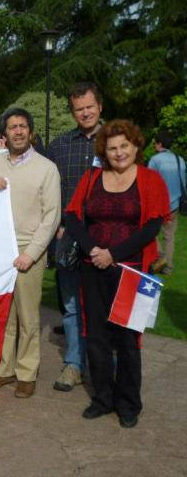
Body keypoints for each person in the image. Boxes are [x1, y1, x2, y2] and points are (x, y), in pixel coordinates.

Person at [65, 119, 169, 428]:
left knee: (127, 339)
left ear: (136, 146)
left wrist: (113, 254)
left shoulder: (150, 179)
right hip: (93, 268)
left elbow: (152, 225)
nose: (119, 152)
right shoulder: (92, 177)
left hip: (133, 271)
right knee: (96, 336)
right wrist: (93, 250)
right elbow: (72, 216)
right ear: (104, 151)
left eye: (124, 146)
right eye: (112, 148)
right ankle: (102, 398)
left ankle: (128, 403)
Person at [0, 108, 60, 398]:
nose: (18, 131)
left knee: (27, 317)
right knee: (4, 315)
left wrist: (33, 253)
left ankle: (27, 373)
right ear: (5, 133)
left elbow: (51, 216)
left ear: (31, 131)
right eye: (12, 127)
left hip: (29, 251)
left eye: (23, 126)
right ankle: (4, 369)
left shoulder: (46, 168)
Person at [47, 82, 104, 393]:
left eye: (89, 106)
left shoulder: (116, 141)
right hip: (68, 239)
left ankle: (104, 367)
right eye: (79, 108)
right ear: (73, 111)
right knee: (70, 305)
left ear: (100, 107)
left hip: (105, 239)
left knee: (102, 307)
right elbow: (51, 192)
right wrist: (56, 224)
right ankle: (74, 364)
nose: (84, 113)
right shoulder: (59, 146)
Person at [148, 130, 186, 275]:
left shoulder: (155, 160)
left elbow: (149, 183)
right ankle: (168, 268)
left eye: (155, 143)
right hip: (175, 203)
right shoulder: (180, 159)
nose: (154, 145)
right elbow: (183, 182)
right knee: (169, 236)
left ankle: (161, 255)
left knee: (150, 231)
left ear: (160, 144)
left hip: (158, 203)